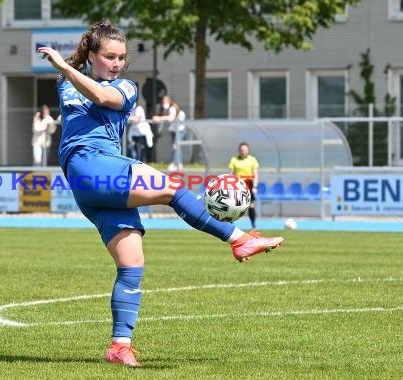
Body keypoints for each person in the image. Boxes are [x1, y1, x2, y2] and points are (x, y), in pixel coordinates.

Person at [37, 22, 283, 368]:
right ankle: (238, 238)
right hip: (93, 167)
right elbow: (92, 91)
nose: (118, 63)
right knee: (173, 188)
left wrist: (65, 66)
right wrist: (66, 68)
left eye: (122, 57)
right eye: (109, 56)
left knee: (131, 263)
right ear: (92, 56)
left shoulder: (125, 87)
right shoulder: (69, 80)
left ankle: (120, 346)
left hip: (90, 185)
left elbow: (104, 96)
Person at [229, 142, 260, 229]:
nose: (243, 151)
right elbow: (231, 174)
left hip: (248, 183)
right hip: (237, 184)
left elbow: (255, 174)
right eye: (241, 150)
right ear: (239, 150)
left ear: (248, 150)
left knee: (251, 205)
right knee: (233, 205)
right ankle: (230, 225)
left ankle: (253, 225)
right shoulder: (234, 160)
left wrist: (254, 186)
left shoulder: (252, 160)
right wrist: (229, 185)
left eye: (245, 150)